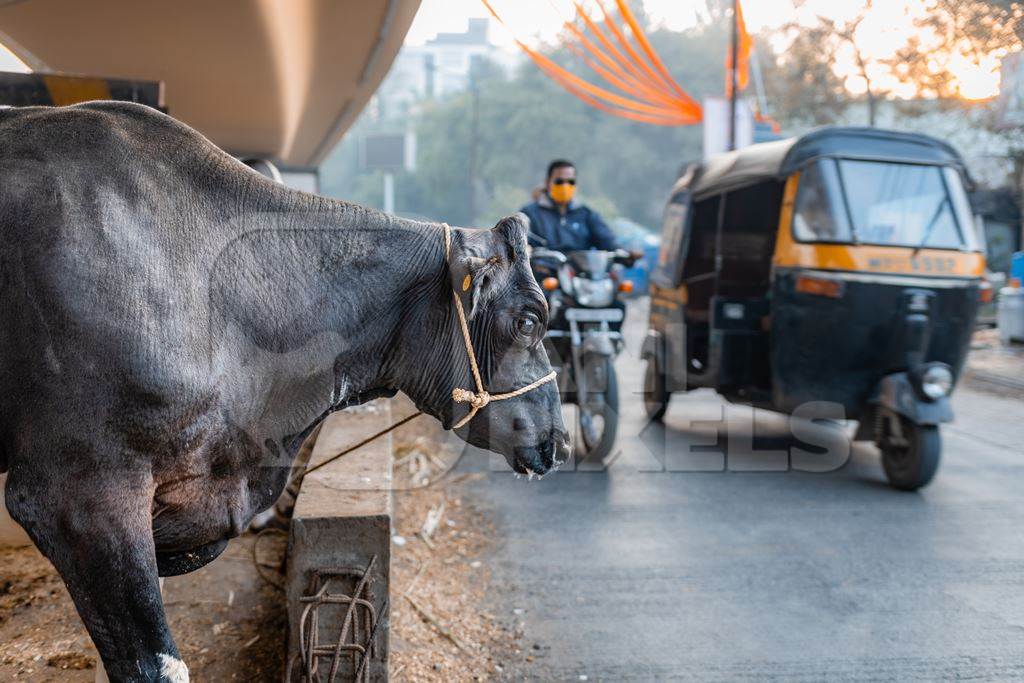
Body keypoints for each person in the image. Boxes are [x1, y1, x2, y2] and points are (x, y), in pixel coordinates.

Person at [520, 160, 619, 252]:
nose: (565, 186)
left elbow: (608, 242)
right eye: (559, 181)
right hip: (543, 269)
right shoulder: (529, 213)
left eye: (570, 182)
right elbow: (519, 244)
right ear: (547, 182)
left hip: (581, 270)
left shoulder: (587, 214)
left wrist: (625, 255)